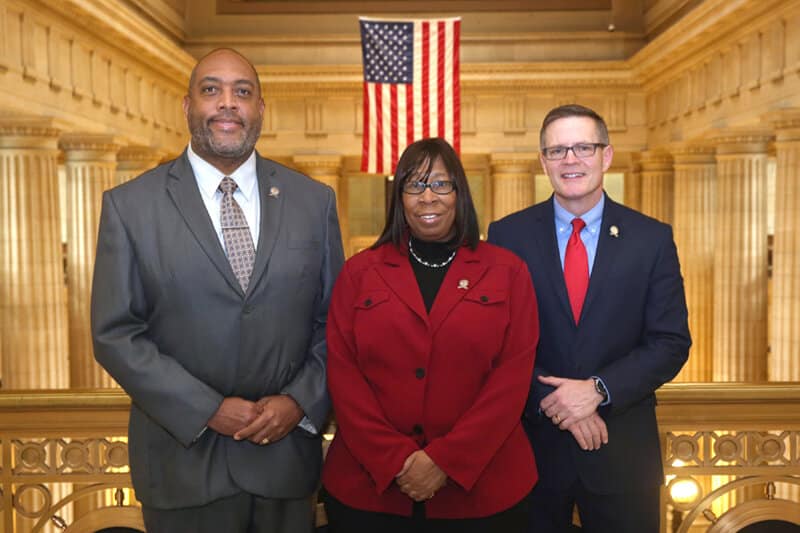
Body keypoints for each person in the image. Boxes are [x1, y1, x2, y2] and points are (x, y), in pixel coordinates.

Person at [90, 48, 344, 533]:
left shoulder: (314, 202)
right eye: (212, 90)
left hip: (285, 462)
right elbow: (116, 333)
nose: (228, 103)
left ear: (261, 110)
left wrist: (299, 401)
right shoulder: (130, 207)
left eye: (242, 92)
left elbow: (335, 322)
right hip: (182, 465)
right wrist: (206, 409)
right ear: (188, 107)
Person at [488, 104, 691, 532]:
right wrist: (556, 403)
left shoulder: (651, 238)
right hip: (531, 454)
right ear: (543, 161)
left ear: (606, 155)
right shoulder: (507, 235)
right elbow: (494, 340)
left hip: (622, 457)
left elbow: (670, 342)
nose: (571, 160)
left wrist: (598, 390)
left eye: (583, 147)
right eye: (558, 150)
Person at [321, 137, 539, 533]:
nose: (428, 197)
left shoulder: (507, 271)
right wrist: (394, 461)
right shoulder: (358, 273)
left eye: (441, 184)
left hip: (484, 493)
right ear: (399, 195)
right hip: (370, 492)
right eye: (414, 184)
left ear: (459, 193)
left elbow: (512, 379)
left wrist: (446, 461)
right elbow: (343, 375)